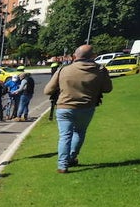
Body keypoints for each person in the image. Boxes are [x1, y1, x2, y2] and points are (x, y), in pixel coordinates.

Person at [44, 45, 113, 173]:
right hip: (86, 107)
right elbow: (107, 89)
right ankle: (71, 157)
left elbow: (47, 90)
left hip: (64, 107)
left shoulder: (63, 70)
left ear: (75, 56)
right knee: (79, 132)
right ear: (93, 56)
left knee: (65, 136)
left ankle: (62, 165)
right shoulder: (100, 70)